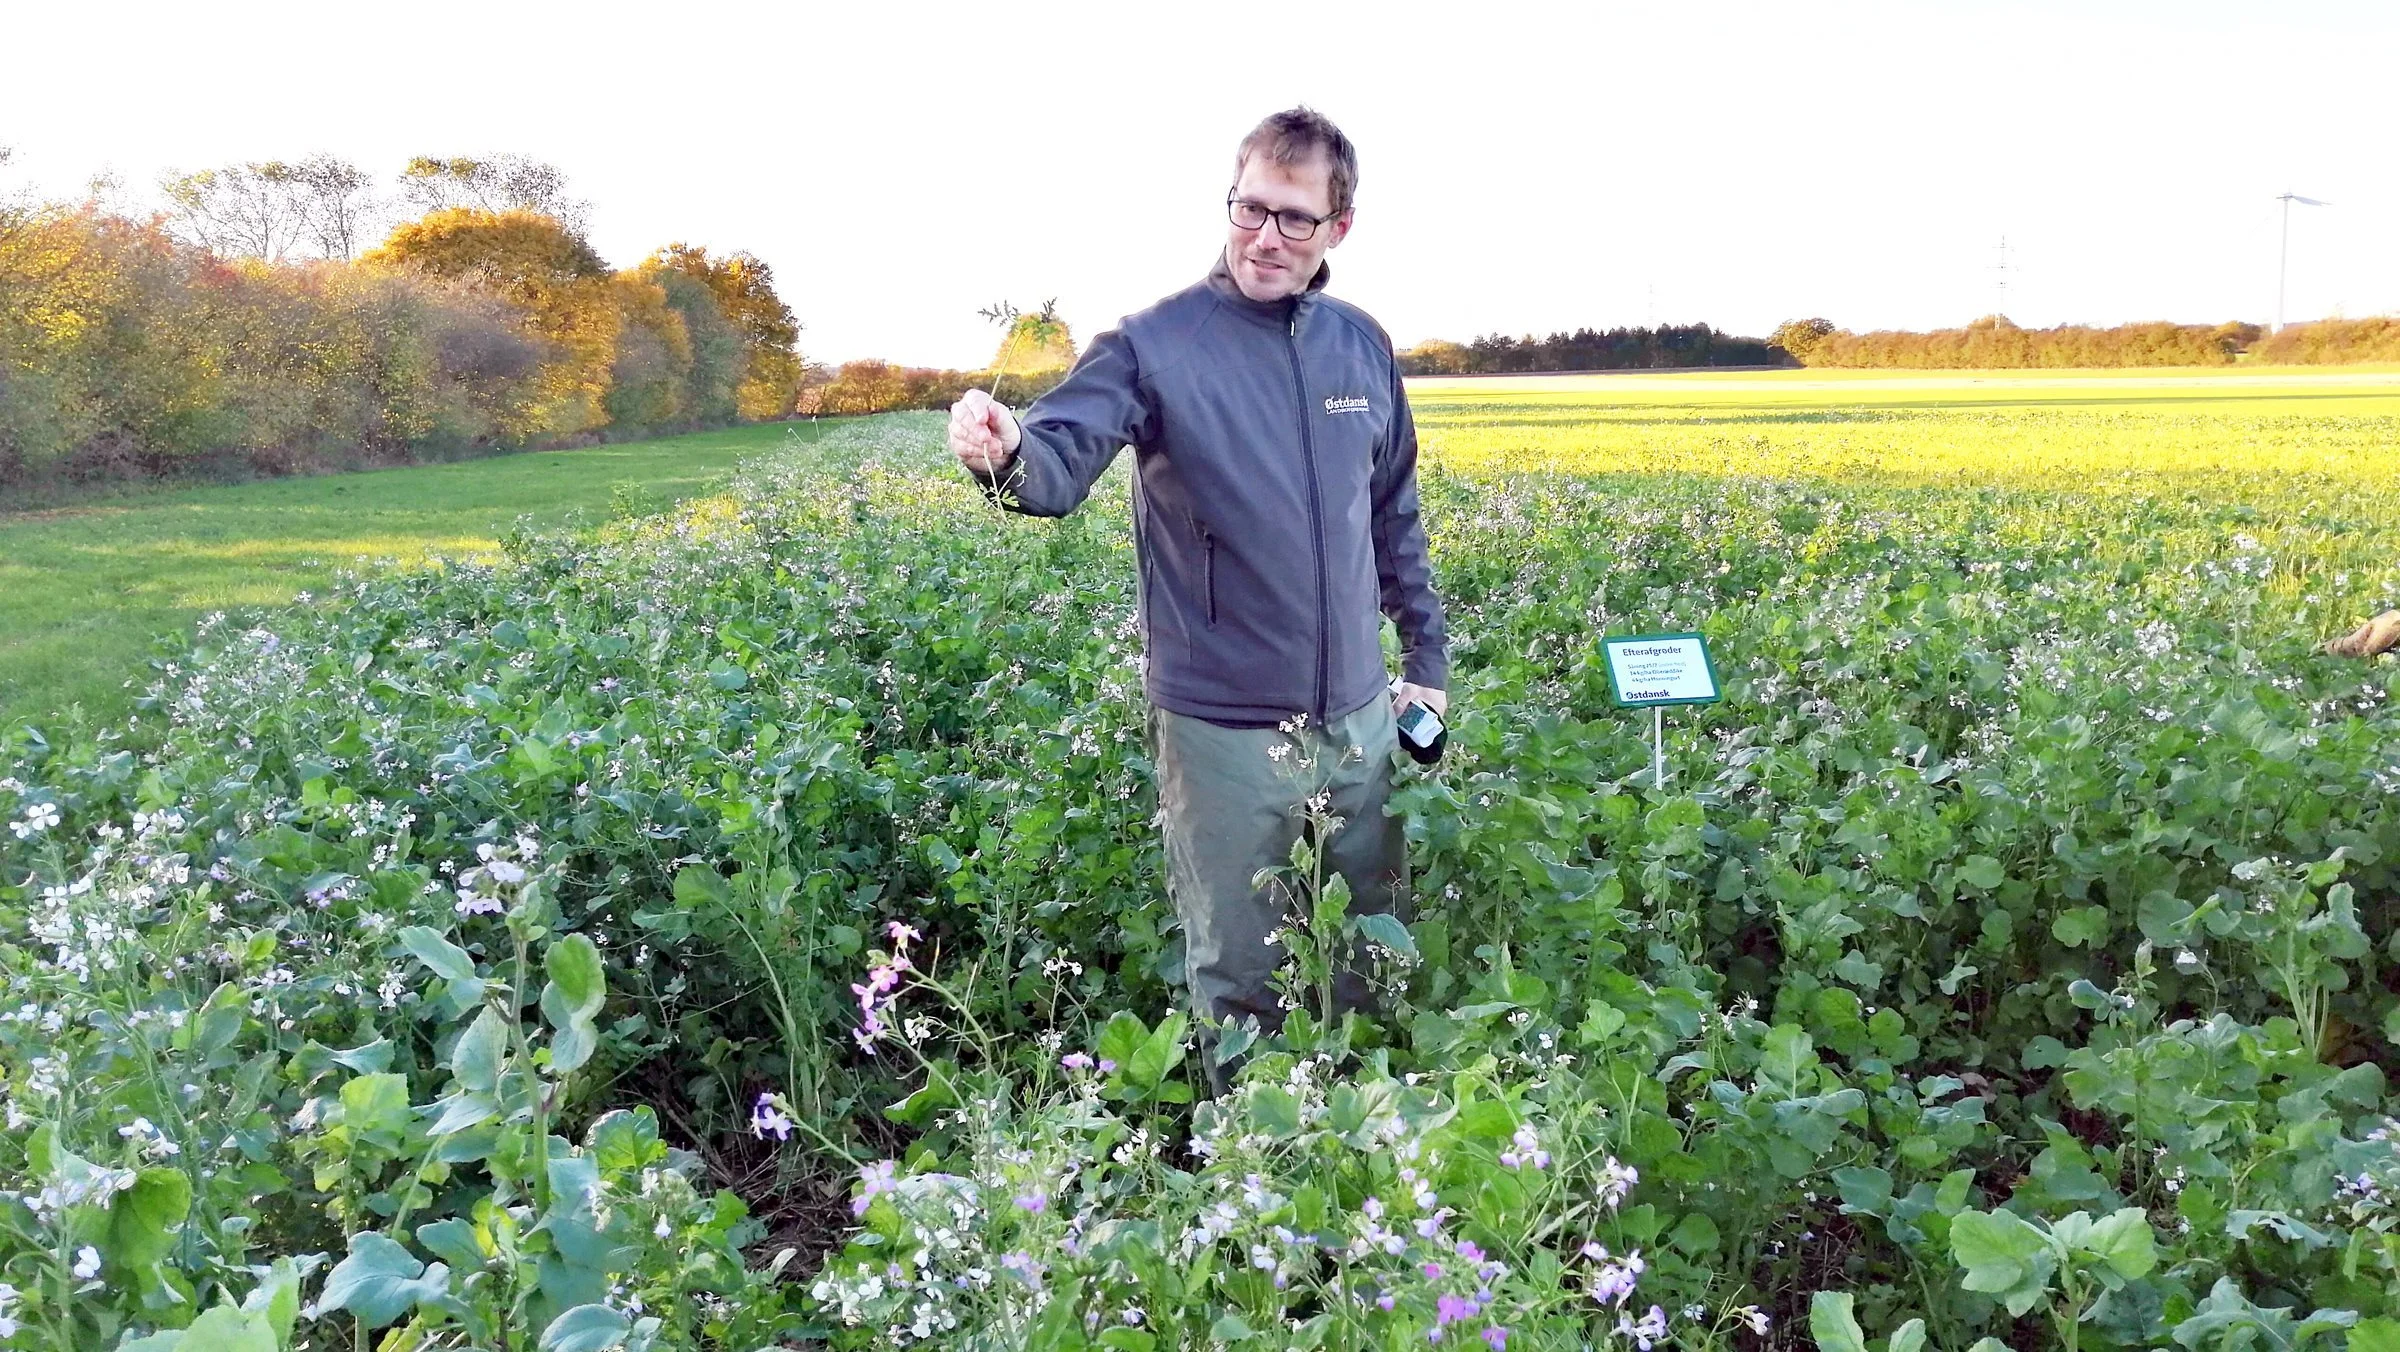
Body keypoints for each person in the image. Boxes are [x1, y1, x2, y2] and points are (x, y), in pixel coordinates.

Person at [947, 107, 1448, 1091]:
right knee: (1243, 978)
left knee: (1363, 956)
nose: (1266, 236)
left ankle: (1364, 1187)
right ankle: (1253, 1201)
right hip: (1223, 728)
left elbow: (1395, 515)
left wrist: (1425, 666)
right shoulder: (1153, 345)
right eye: (1250, 208)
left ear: (1338, 228)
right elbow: (1057, 458)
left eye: (1295, 218)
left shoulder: (1361, 348)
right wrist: (1006, 453)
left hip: (1359, 720)